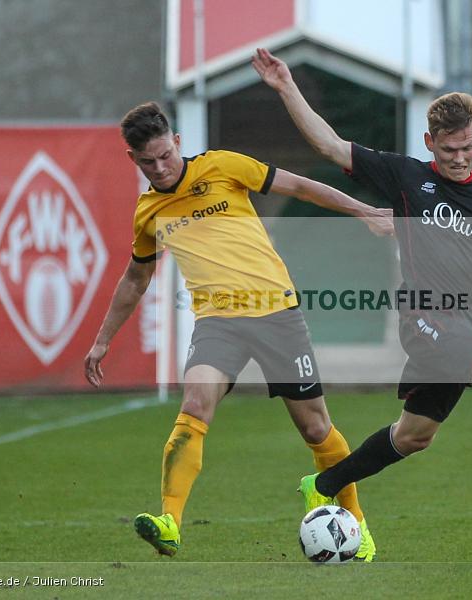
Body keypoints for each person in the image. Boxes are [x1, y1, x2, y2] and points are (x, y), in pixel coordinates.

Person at [252, 48, 472, 534]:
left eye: (466, 148)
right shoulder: (405, 176)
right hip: (425, 317)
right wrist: (286, 86)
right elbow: (332, 147)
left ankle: (324, 484)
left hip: (463, 323)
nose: (458, 159)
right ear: (429, 142)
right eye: (447, 150)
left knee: (414, 436)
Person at [84, 101, 392, 560]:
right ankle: (170, 521)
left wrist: (363, 210)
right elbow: (136, 276)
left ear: (178, 144)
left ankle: (359, 527)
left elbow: (300, 186)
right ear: (133, 160)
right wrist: (103, 339)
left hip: (276, 313)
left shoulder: (223, 166)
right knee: (194, 404)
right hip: (218, 323)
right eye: (148, 162)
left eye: (166, 155)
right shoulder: (148, 213)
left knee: (315, 427)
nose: (161, 167)